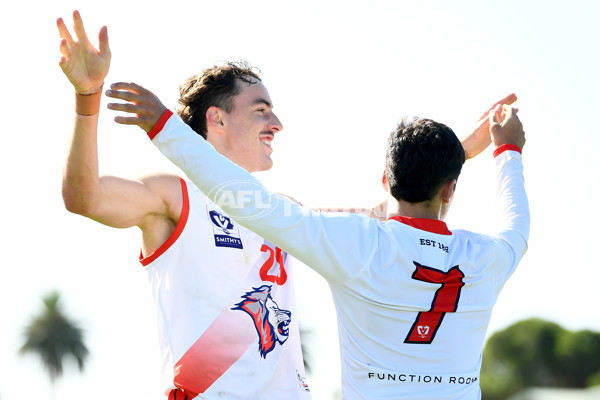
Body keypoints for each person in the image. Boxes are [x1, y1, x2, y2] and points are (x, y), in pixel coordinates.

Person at [106, 79, 528, 399]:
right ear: (450, 189)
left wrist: (164, 127)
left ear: (385, 180)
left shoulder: (356, 244)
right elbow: (516, 224)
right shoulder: (488, 255)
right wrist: (506, 152)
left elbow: (251, 203)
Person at [57, 11, 311, 399]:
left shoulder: (283, 209)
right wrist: (87, 97)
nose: (276, 123)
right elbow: (84, 198)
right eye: (261, 110)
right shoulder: (176, 196)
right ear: (218, 120)